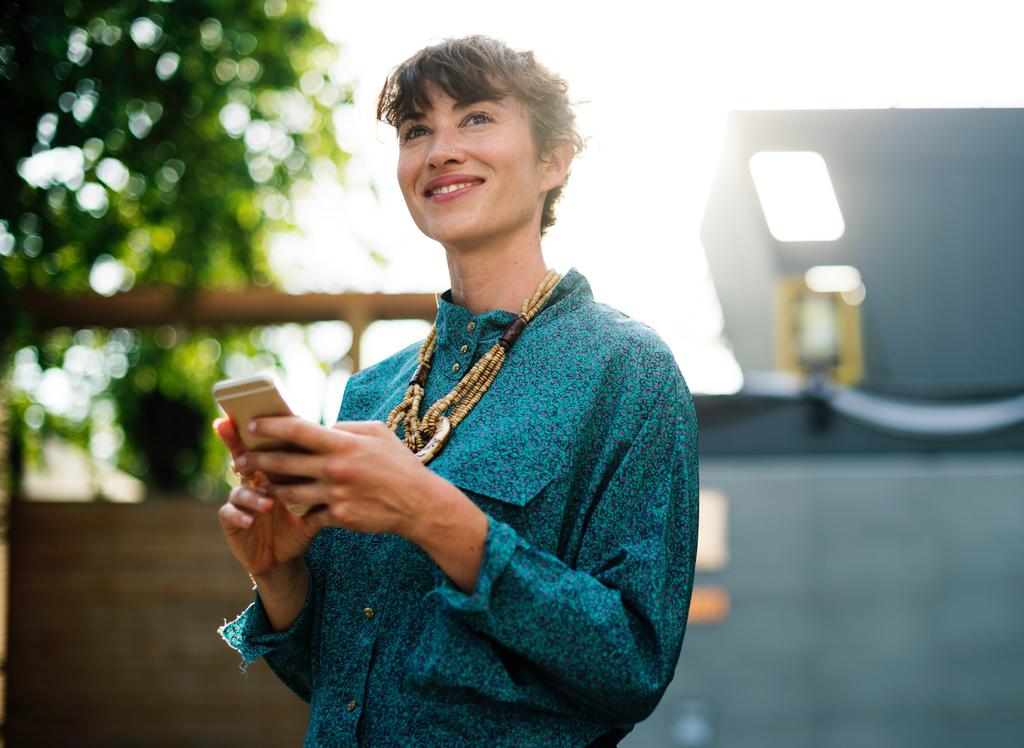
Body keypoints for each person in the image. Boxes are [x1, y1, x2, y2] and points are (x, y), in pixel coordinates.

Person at [216, 35, 699, 747]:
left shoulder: (629, 373)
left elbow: (632, 664)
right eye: (417, 130)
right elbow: (336, 686)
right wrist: (280, 578)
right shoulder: (369, 394)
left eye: (475, 117)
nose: (440, 149)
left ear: (554, 160)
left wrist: (431, 513)